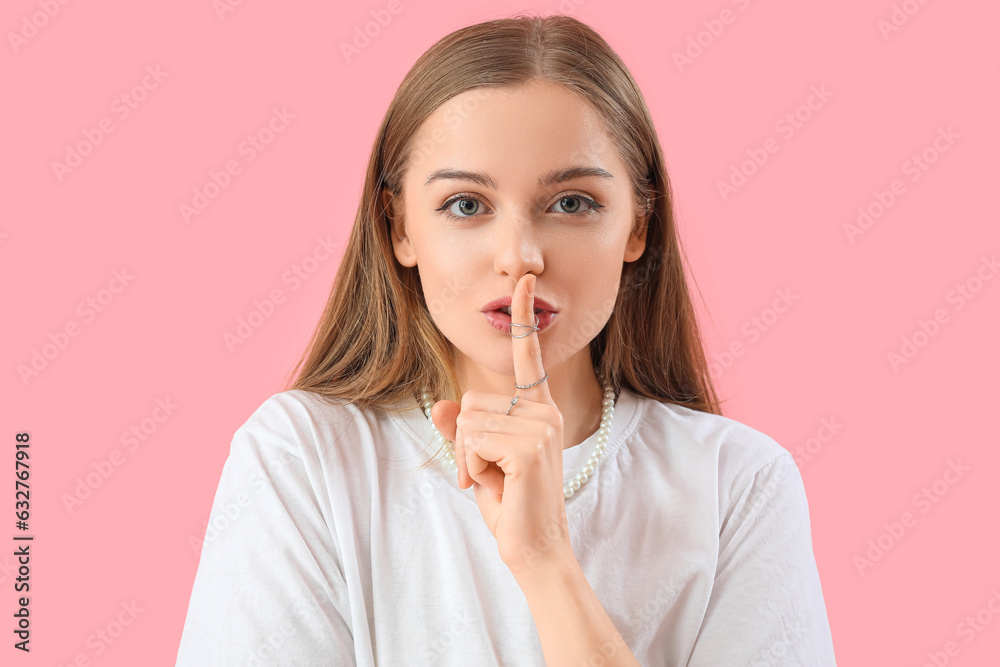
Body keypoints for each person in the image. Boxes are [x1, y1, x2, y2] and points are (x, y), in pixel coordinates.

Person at [175, 13, 837, 666]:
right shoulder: (304, 460)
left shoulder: (740, 486)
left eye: (572, 203)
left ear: (638, 225)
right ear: (399, 227)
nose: (519, 256)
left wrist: (547, 559)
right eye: (467, 205)